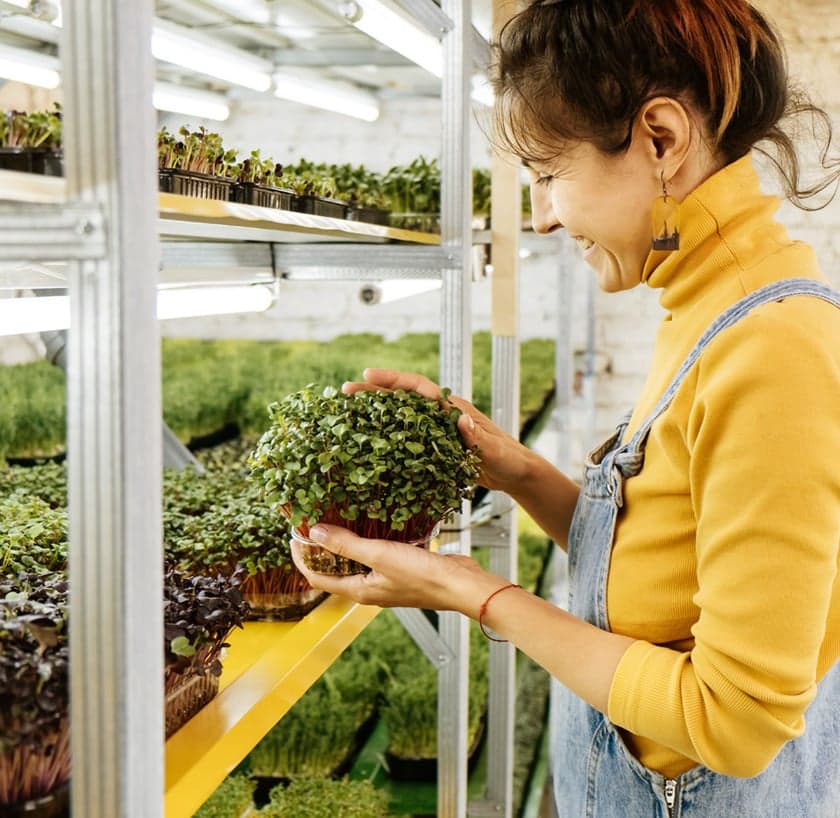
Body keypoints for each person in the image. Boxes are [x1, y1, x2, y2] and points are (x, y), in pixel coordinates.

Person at [290, 1, 840, 815]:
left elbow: (736, 720)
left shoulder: (772, 347)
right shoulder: (707, 301)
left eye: (549, 174)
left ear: (660, 138)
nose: (542, 215)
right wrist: (513, 469)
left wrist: (472, 593)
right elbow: (667, 561)